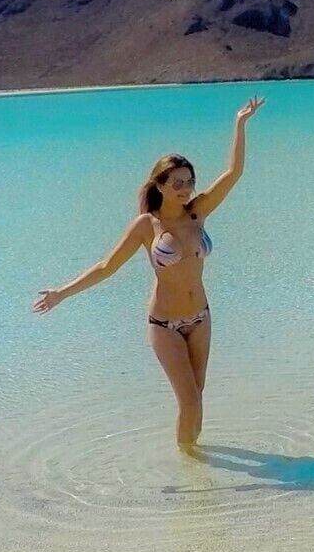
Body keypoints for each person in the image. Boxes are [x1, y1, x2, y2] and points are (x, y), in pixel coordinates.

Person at [33, 96, 264, 451]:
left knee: (197, 399)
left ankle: (194, 462)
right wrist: (61, 293)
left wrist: (239, 124)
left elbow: (234, 174)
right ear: (159, 185)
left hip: (201, 318)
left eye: (190, 181)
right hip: (164, 325)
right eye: (178, 183)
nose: (187, 189)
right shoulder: (147, 225)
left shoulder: (197, 213)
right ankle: (190, 466)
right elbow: (106, 266)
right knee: (189, 402)